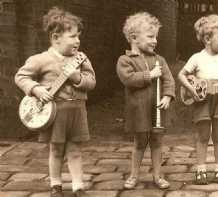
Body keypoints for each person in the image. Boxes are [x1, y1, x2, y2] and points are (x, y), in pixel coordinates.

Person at [14, 7, 96, 197]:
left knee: (75, 150)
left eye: (78, 36)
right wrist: (36, 89)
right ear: (56, 37)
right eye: (73, 36)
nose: (78, 40)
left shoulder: (81, 59)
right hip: (54, 113)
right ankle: (56, 185)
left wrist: (77, 77)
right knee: (56, 149)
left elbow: (91, 82)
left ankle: (78, 187)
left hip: (77, 111)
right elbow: (21, 76)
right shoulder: (41, 59)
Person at [116, 12, 175, 189]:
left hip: (157, 109)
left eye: (156, 36)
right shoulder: (125, 60)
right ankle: (134, 175)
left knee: (157, 143)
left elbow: (169, 79)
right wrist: (149, 75)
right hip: (138, 110)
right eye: (150, 36)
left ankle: (158, 176)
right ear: (134, 38)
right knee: (139, 143)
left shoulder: (160, 60)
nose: (155, 40)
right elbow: (128, 79)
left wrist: (167, 95)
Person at [178, 14, 218, 185]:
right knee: (202, 136)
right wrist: (191, 89)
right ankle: (201, 170)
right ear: (208, 38)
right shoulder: (197, 58)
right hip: (202, 100)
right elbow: (181, 75)